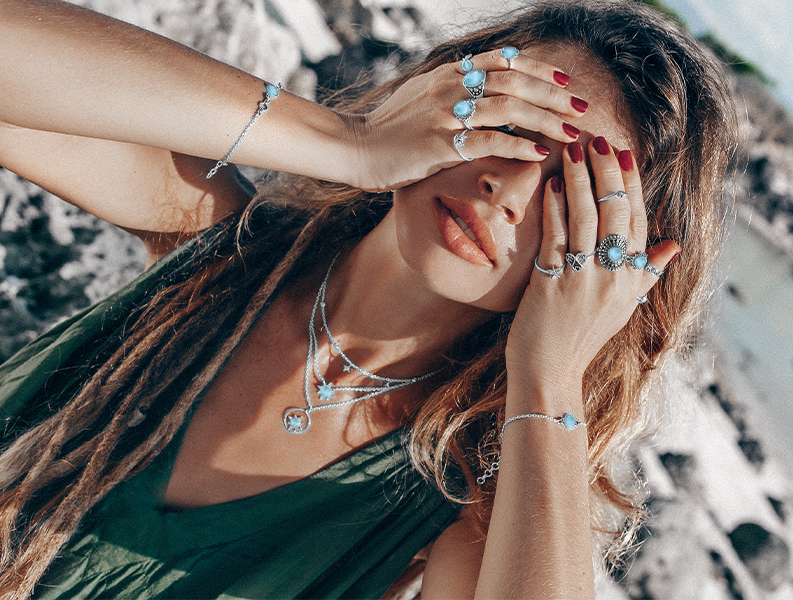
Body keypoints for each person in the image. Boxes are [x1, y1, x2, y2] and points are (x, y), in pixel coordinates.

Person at [0, 0, 736, 598]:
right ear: (445, 94)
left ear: (615, 265)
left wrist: (550, 373)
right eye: (511, 125)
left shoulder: (458, 505)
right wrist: (347, 142)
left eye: (568, 196)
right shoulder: (223, 240)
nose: (506, 190)